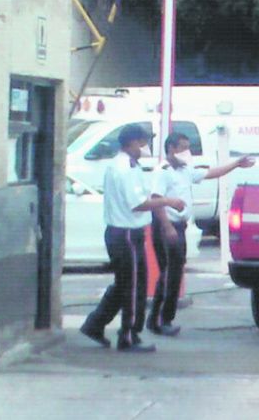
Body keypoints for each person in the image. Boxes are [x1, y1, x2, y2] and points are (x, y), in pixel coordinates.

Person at [80, 124, 187, 353]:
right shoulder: (125, 168)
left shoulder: (127, 165)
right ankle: (128, 336)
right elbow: (138, 203)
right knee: (134, 287)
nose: (144, 147)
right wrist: (168, 202)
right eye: (142, 142)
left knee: (124, 285)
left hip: (125, 232)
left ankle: (95, 324)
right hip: (126, 233)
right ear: (131, 143)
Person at [147, 132, 255, 336]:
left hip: (179, 225)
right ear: (171, 148)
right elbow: (156, 199)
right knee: (170, 273)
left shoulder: (184, 169)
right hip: (167, 225)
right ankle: (162, 319)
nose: (187, 152)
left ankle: (157, 319)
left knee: (174, 273)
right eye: (182, 147)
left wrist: (235, 164)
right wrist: (167, 227)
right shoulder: (163, 171)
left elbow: (210, 173)